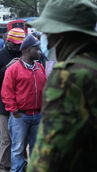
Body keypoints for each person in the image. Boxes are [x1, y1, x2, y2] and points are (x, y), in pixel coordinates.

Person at [26, 0, 97, 171]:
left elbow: (49, 155)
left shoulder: (68, 76)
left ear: (61, 35)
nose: (46, 41)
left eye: (47, 33)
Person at [1, 35, 47, 172]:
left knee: (36, 147)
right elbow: (7, 93)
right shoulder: (13, 69)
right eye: (37, 49)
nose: (40, 52)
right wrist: (14, 111)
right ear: (27, 50)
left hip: (38, 116)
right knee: (18, 149)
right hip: (20, 116)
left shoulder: (39, 67)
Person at [0, 28, 25, 172]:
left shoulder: (25, 54)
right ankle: (2, 164)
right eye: (15, 44)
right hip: (4, 103)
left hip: (22, 103)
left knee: (21, 137)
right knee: (6, 137)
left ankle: (21, 163)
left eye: (20, 44)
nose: (17, 47)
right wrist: (7, 68)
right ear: (8, 41)